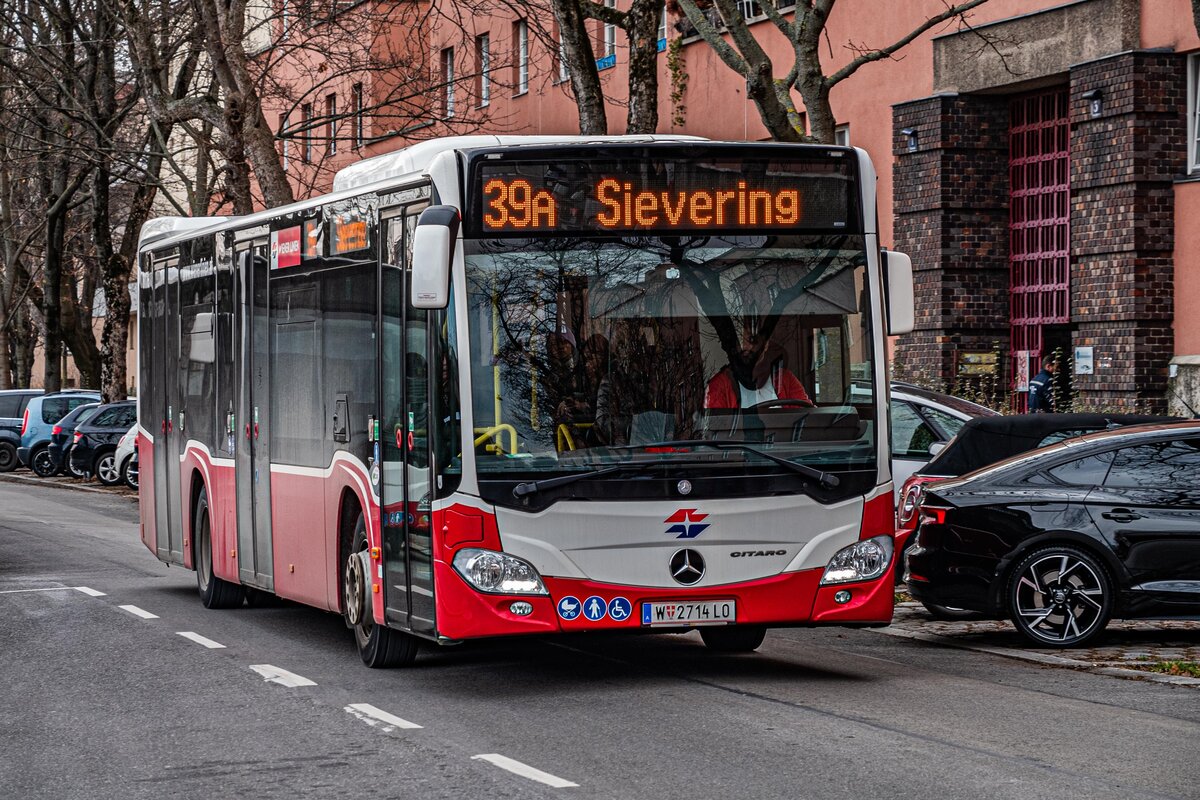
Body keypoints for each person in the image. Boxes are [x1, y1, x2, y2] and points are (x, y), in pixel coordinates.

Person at [704, 327, 811, 409]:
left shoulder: (785, 378)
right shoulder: (719, 386)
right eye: (740, 341)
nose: (745, 347)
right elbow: (715, 429)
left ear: (766, 345)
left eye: (752, 340)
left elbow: (807, 416)